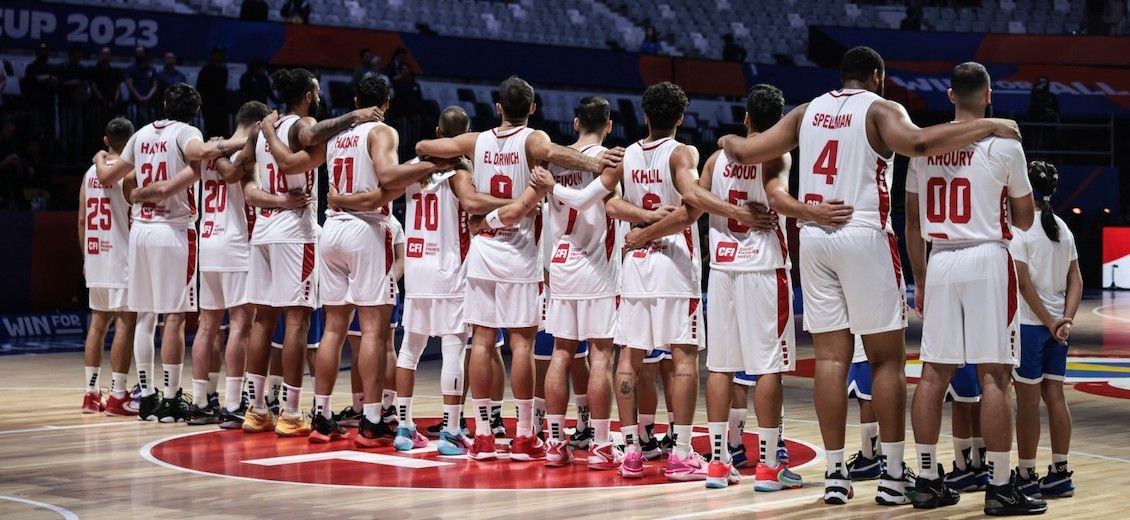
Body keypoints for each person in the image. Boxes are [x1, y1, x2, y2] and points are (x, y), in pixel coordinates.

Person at [718, 46, 1022, 506]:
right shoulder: (881, 109)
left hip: (814, 235)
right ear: (876, 76)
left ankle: (837, 474)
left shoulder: (806, 111)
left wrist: (725, 142)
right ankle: (893, 476)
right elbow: (919, 143)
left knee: (829, 360)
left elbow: (745, 148)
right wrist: (991, 125)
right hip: (861, 229)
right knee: (886, 359)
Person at [415, 75, 620, 462]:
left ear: (497, 108)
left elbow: (424, 145)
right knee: (522, 344)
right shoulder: (534, 140)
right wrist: (596, 160)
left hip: (483, 251)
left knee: (481, 342)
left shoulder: (475, 140)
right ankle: (525, 435)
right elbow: (561, 155)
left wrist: (455, 159)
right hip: (521, 254)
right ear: (532, 108)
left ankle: (482, 436)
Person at [552, 82, 725, 481]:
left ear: (645, 116)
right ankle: (680, 453)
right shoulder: (683, 152)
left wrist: (640, 225)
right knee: (683, 357)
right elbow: (691, 206)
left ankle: (630, 451)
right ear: (680, 119)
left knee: (629, 357)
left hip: (635, 268)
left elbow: (608, 202)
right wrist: (650, 227)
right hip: (674, 267)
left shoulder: (627, 153)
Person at [259, 74, 434, 443]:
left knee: (335, 328)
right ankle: (372, 420)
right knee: (373, 330)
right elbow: (387, 176)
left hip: (332, 229)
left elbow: (290, 164)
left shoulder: (336, 134)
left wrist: (270, 133)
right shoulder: (381, 132)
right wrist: (429, 164)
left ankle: (321, 416)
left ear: (356, 98)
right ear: (385, 103)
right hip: (366, 231)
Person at [904, 62, 1043, 515]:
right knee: (995, 375)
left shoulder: (922, 145)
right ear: (988, 96)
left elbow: (910, 220)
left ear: (949, 96)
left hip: (941, 257)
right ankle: (1001, 487)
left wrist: (920, 276)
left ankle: (926, 478)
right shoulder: (1005, 144)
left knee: (932, 374)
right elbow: (1024, 219)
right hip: (986, 254)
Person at [702, 84, 838, 491]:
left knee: (720, 366)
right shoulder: (778, 155)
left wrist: (726, 209)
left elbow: (694, 201)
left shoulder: (716, 158)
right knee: (768, 368)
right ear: (779, 123)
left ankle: (717, 464)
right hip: (763, 268)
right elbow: (777, 199)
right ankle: (766, 466)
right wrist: (813, 212)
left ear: (746, 118)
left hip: (721, 266)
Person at [234, 68, 382, 436]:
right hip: (293, 233)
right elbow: (312, 134)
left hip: (263, 230)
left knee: (262, 321)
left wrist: (273, 195)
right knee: (296, 322)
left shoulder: (261, 130)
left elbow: (245, 181)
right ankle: (291, 413)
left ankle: (256, 410)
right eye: (315, 91)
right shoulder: (300, 125)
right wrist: (355, 116)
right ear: (307, 95)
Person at [94, 83, 246, 422]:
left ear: (163, 103)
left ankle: (146, 395)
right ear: (196, 110)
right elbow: (202, 151)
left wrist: (135, 192)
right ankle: (173, 396)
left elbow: (112, 177)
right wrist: (240, 140)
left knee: (146, 316)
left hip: (140, 232)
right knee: (174, 317)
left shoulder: (142, 133)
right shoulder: (187, 132)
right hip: (173, 231)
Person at [330, 107, 475, 453]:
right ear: (464, 135)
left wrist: (339, 200)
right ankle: (452, 430)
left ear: (437, 129)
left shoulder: (409, 169)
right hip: (450, 267)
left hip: (417, 264)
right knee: (454, 347)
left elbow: (379, 196)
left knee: (410, 348)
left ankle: (405, 427)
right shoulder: (462, 170)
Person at [540, 96, 667, 468]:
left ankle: (554, 442)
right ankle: (598, 444)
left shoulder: (554, 160)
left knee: (561, 354)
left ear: (576, 122)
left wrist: (550, 186)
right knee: (598, 356)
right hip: (596, 270)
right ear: (609, 126)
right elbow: (586, 201)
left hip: (560, 264)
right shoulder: (611, 159)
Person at [154, 101, 270, 426]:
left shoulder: (207, 151)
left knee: (207, 326)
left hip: (208, 241)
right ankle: (233, 403)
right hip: (236, 244)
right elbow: (241, 182)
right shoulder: (247, 151)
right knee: (240, 326)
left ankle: (201, 399)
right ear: (260, 123)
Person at [1011, 160, 1082, 500]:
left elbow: (1024, 285)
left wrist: (1049, 321)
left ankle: (1025, 473)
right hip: (1057, 328)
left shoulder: (1020, 228)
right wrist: (1064, 319)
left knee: (1027, 403)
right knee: (1055, 396)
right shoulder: (1062, 228)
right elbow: (1075, 279)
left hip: (1029, 325)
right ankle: (1060, 472)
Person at [78, 117, 137, 417]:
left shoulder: (90, 172)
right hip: (122, 259)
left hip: (96, 259)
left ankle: (90, 393)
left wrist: (87, 259)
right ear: (132, 139)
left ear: (106, 141)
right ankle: (117, 394)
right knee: (125, 323)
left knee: (97, 325)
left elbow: (80, 220)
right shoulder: (130, 173)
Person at [197, 47, 230, 139]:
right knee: (210, 130)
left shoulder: (224, 70)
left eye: (222, 54)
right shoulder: (206, 70)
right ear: (213, 55)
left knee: (222, 130)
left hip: (221, 105)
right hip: (209, 106)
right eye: (219, 54)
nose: (221, 56)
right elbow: (199, 87)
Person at [125, 48, 158, 123]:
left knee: (149, 127)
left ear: (146, 54)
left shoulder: (152, 69)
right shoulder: (130, 69)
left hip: (149, 104)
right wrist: (140, 98)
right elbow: (130, 85)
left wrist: (147, 97)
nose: (139, 55)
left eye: (141, 53)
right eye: (137, 53)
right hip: (134, 103)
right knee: (133, 126)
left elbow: (155, 85)